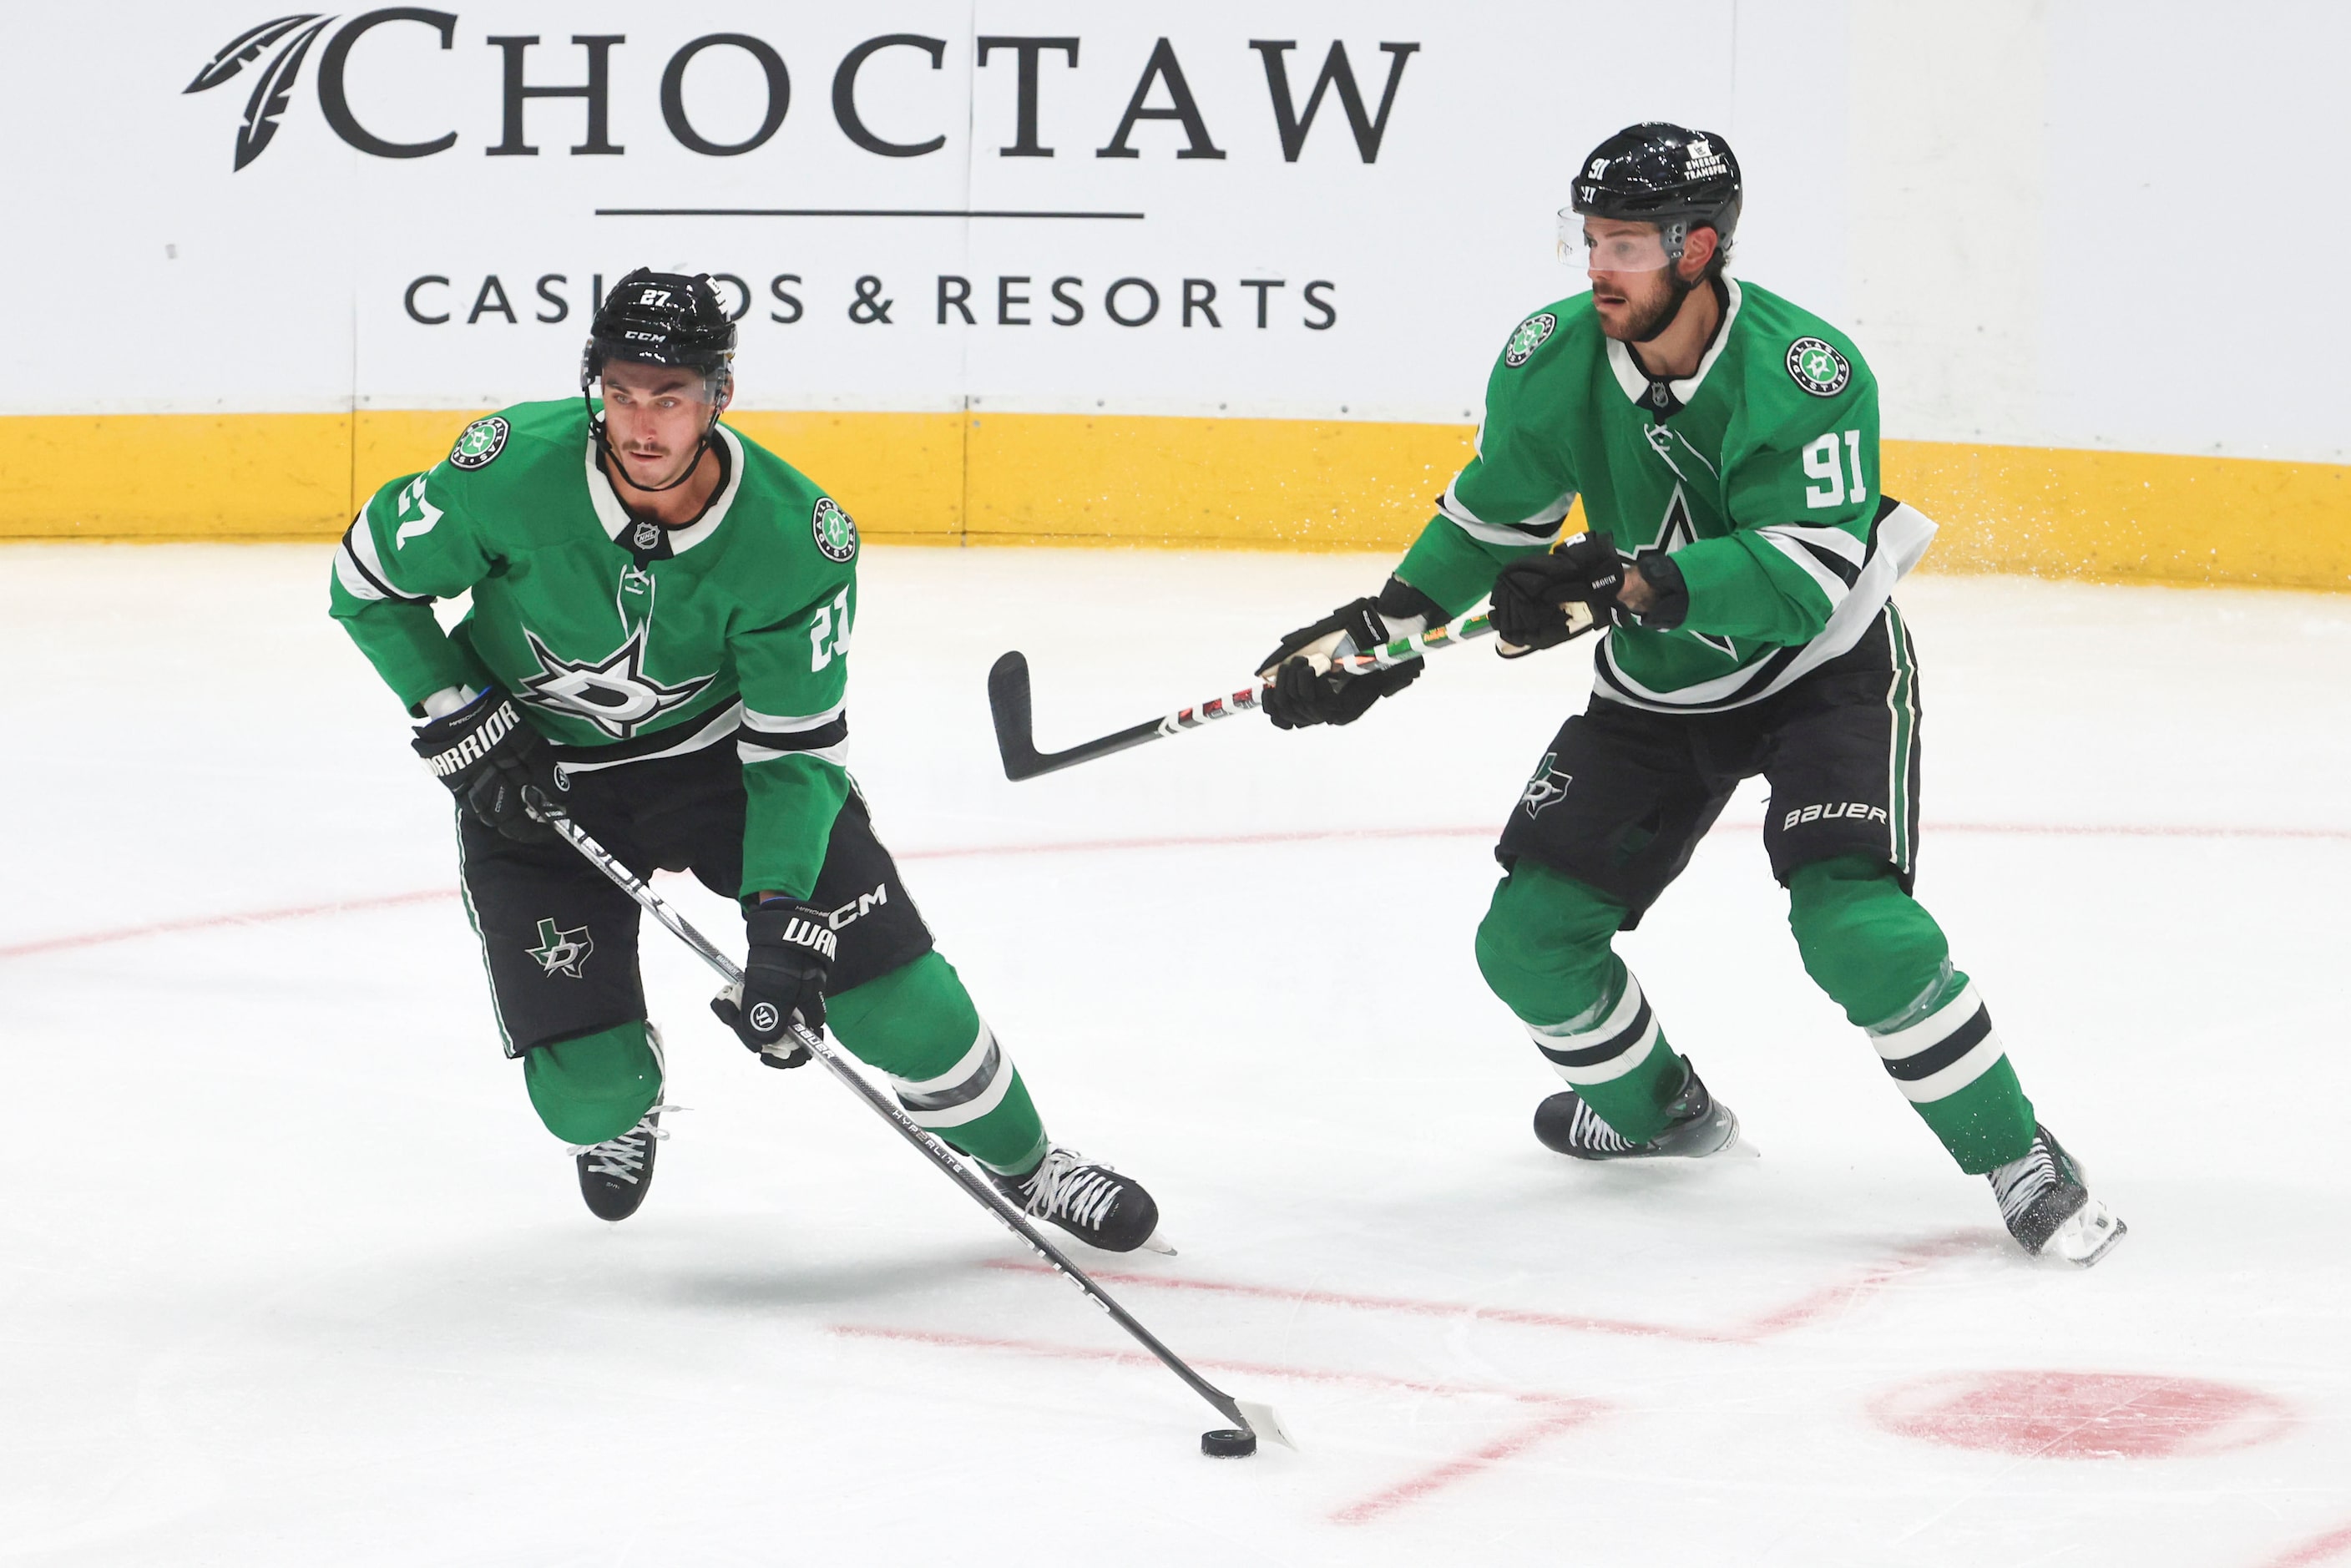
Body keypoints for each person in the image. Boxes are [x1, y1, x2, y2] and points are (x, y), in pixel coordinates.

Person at [1253, 124, 2123, 1266]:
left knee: (1855, 929)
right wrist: (1388, 622)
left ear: (1700, 247)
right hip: (1659, 688)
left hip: (1820, 673)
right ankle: (1657, 1109)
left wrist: (1632, 579)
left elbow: (1807, 579)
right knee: (1527, 941)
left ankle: (2018, 1151)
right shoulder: (1548, 356)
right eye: (1592, 240)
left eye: (1625, 244)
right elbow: (1493, 517)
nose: (1598, 265)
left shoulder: (1807, 371)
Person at [329, 269, 1161, 1251]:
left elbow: (794, 750)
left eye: (670, 397)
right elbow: (366, 584)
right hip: (535, 778)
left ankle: (1030, 1165)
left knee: (899, 1007)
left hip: (721, 764)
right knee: (586, 1100)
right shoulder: (505, 471)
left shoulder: (796, 540)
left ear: (717, 397)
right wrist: (463, 717)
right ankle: (624, 1102)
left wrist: (777, 924)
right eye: (622, 393)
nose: (643, 424)